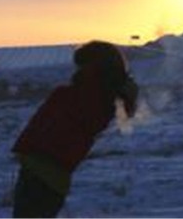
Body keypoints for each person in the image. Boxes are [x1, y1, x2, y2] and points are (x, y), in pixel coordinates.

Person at [10, 40, 139, 218]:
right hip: (53, 175)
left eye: (82, 66)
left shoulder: (79, 97)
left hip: (42, 173)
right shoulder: (104, 100)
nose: (77, 71)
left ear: (95, 68)